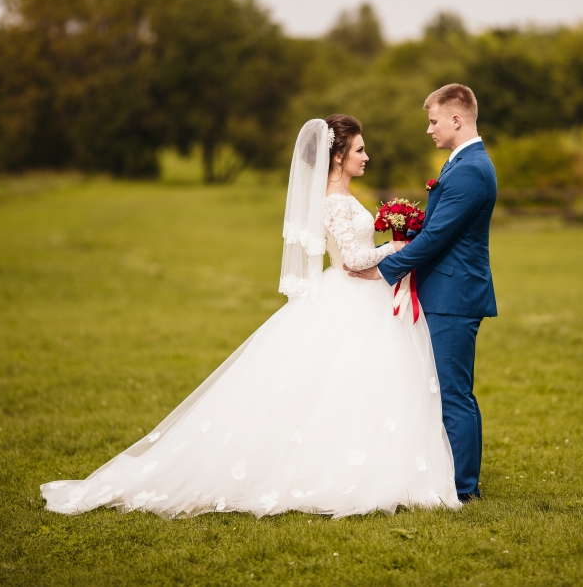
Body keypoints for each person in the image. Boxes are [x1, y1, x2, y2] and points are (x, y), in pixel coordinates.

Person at [40, 115, 461, 519]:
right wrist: (396, 247)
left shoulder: (345, 198)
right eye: (359, 150)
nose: (366, 157)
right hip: (351, 294)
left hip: (364, 295)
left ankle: (370, 465)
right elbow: (351, 259)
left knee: (361, 385)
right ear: (338, 156)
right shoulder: (334, 202)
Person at [350, 84, 497, 501]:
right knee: (445, 389)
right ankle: (451, 478)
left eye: (434, 122)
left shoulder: (470, 169)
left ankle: (464, 489)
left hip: (454, 296)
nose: (429, 130)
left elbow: (437, 238)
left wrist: (382, 270)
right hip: (447, 291)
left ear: (456, 119)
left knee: (453, 393)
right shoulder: (463, 163)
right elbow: (435, 229)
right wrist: (396, 241)